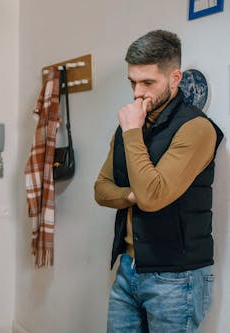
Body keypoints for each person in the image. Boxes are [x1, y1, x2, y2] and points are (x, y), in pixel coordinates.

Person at [94, 30, 223, 332]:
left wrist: (132, 134)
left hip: (176, 277)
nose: (137, 93)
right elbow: (101, 189)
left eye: (148, 82)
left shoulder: (196, 129)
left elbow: (152, 198)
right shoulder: (132, 124)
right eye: (132, 82)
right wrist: (131, 196)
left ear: (175, 78)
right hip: (128, 266)